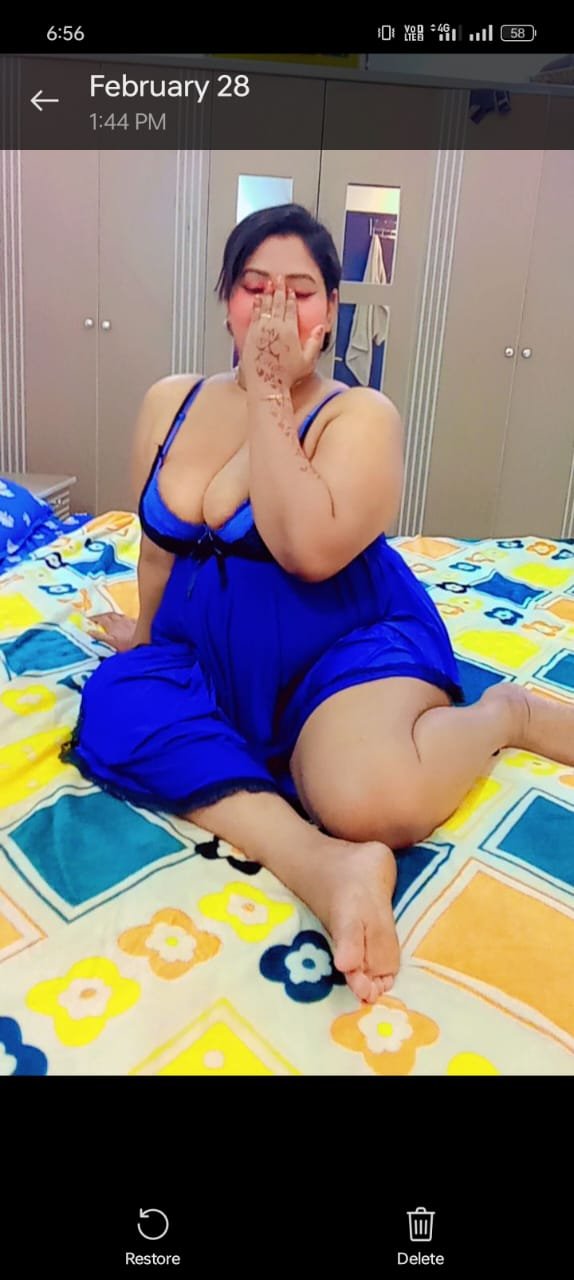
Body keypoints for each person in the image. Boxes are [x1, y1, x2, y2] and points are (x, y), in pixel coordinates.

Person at [63, 203, 574, 1004]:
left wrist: (270, 393)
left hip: (342, 642)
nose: (274, 309)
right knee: (117, 705)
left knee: (368, 800)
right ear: (226, 300)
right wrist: (148, 636)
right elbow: (158, 547)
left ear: (330, 311)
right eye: (254, 286)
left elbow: (307, 549)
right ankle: (327, 867)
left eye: (299, 292)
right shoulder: (171, 401)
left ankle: (505, 715)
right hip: (210, 650)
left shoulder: (359, 413)